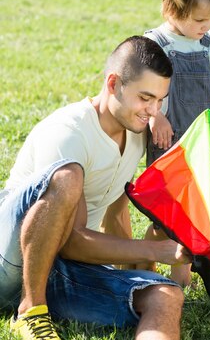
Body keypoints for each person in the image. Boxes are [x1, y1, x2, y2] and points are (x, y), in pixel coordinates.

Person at [0, 36, 190, 340]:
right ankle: (31, 311)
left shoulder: (136, 133)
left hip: (60, 271)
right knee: (69, 177)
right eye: (145, 98)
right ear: (113, 84)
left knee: (165, 294)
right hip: (10, 260)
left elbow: (115, 213)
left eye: (159, 100)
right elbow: (73, 241)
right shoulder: (69, 132)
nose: (152, 111)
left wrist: (141, 271)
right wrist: (156, 249)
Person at [141, 0, 210, 286]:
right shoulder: (155, 44)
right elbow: (144, 94)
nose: (207, 25)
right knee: (165, 219)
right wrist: (156, 116)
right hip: (168, 142)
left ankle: (181, 282)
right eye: (200, 19)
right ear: (171, 12)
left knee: (193, 215)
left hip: (201, 143)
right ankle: (141, 266)